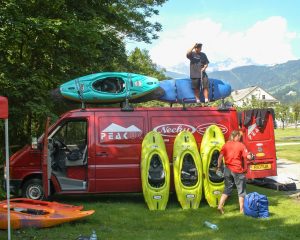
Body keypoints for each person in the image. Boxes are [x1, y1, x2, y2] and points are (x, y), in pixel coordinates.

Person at [216, 130, 254, 214]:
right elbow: (248, 157)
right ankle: (241, 210)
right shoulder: (241, 145)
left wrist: (218, 167)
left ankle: (220, 206)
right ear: (236, 136)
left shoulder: (225, 145)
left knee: (227, 188)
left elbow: (220, 157)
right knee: (241, 191)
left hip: (227, 169)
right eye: (239, 136)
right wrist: (252, 156)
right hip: (237, 170)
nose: (240, 138)